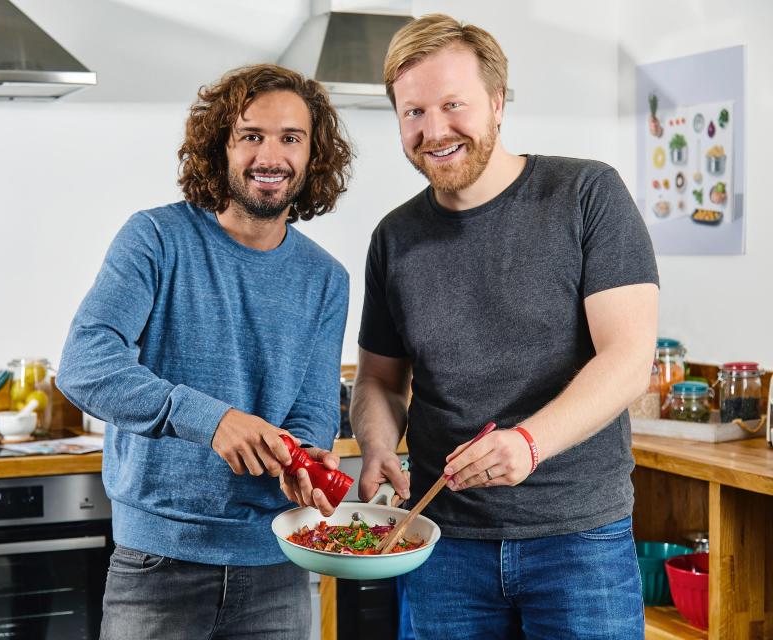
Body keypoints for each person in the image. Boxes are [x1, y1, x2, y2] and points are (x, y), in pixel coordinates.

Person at [351, 14, 659, 640]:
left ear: (496, 104)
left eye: (453, 104)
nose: (434, 131)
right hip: (441, 542)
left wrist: (528, 443)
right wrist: (378, 442)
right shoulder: (394, 237)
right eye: (413, 112)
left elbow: (628, 358)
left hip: (578, 541)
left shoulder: (585, 193)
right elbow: (380, 379)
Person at [57, 64, 353, 640]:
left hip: (277, 565)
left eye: (291, 138)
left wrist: (302, 459)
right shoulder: (155, 239)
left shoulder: (326, 278)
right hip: (157, 568)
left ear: (314, 155)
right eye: (251, 136)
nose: (272, 155)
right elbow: (85, 364)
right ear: (220, 147)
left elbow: (312, 410)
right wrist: (212, 420)